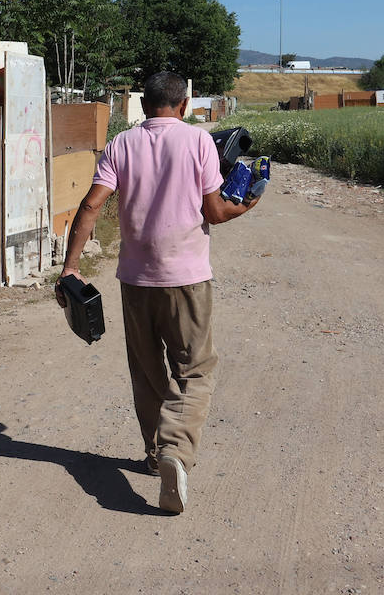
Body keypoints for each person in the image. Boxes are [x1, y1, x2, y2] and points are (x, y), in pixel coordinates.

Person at [58, 71, 258, 514]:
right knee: (195, 371)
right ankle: (174, 452)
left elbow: (92, 205)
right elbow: (216, 212)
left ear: (144, 105)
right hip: (186, 277)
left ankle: (153, 456)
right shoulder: (199, 142)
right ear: (183, 105)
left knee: (148, 373)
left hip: (134, 279)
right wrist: (249, 203)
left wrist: (70, 267)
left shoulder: (121, 144)